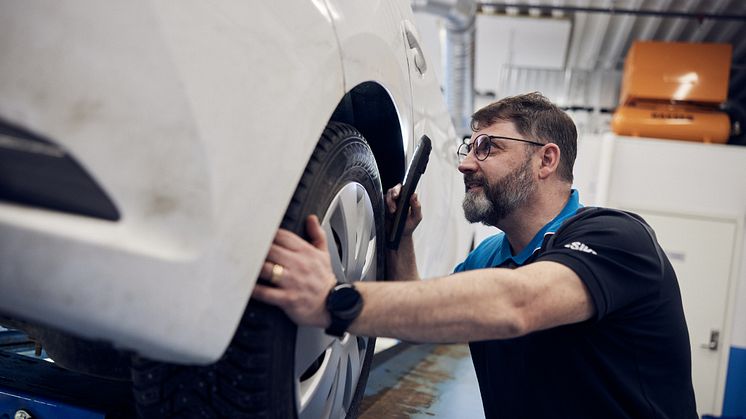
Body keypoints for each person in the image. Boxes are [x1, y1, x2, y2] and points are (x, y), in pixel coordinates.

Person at [252, 92, 697, 418]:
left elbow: (517, 305)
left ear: (546, 161)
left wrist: (335, 299)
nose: (466, 164)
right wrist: (402, 237)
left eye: (488, 147)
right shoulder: (491, 255)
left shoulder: (617, 238)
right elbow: (423, 317)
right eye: (469, 147)